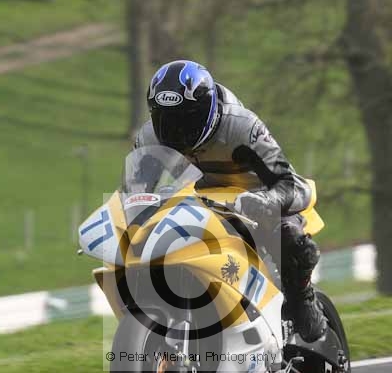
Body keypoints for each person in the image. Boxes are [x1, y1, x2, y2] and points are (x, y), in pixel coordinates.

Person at [134, 59, 326, 343]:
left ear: (206, 110)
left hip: (257, 197)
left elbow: (288, 182)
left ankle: (303, 299)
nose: (175, 129)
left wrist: (268, 201)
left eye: (185, 119)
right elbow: (137, 191)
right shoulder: (149, 136)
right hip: (205, 200)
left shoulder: (243, 127)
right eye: (166, 119)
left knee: (288, 234)